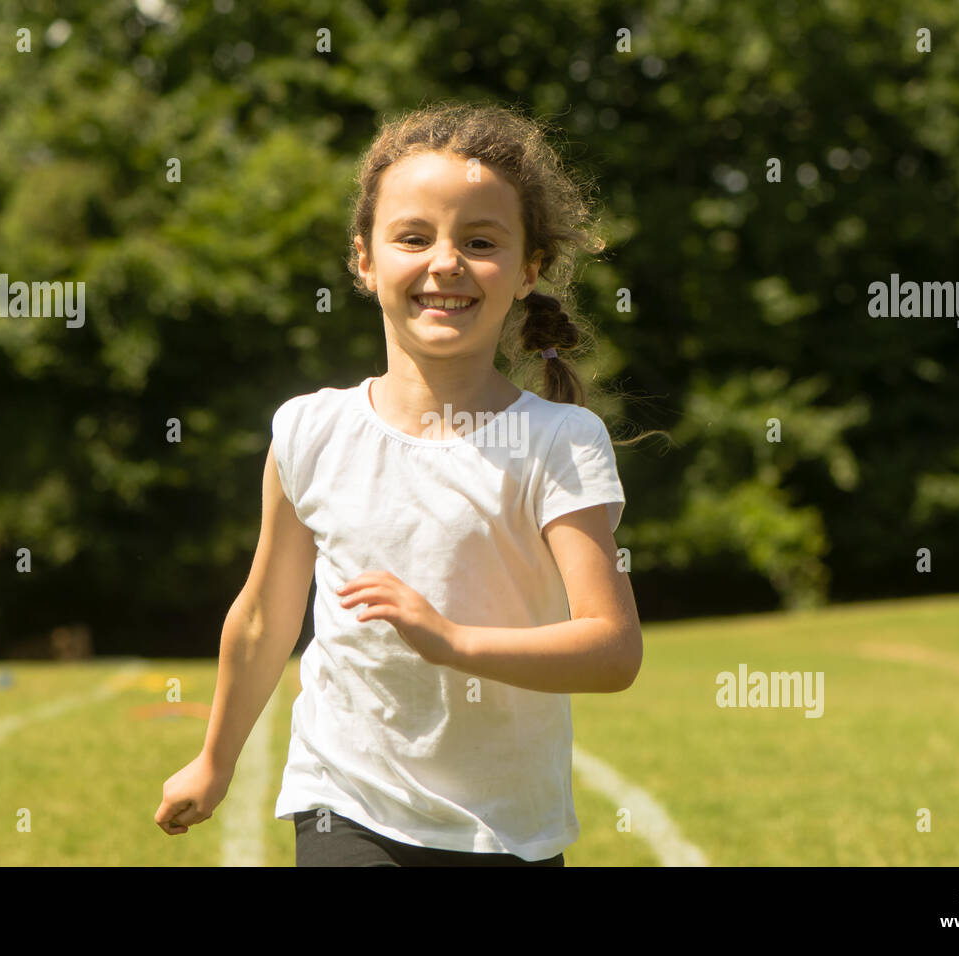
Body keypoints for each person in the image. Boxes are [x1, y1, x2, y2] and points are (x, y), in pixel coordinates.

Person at [156, 101, 643, 866]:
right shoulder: (309, 432)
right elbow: (263, 618)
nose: (445, 262)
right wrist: (214, 762)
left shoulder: (560, 442)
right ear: (365, 260)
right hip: (346, 801)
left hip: (507, 828)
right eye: (414, 238)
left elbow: (612, 650)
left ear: (529, 271)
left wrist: (452, 642)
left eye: (480, 242)